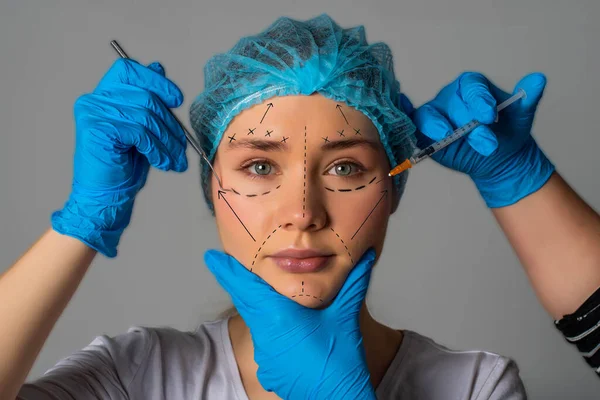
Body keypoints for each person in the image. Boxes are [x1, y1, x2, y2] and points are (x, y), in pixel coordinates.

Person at [1, 13, 598, 400]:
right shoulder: (135, 377)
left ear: (392, 188)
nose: (302, 212)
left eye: (345, 168)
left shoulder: (473, 388)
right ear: (214, 188)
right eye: (260, 167)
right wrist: (82, 219)